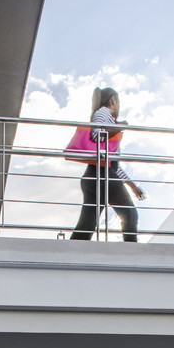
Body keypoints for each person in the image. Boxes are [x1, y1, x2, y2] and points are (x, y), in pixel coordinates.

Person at [70, 87, 145, 242]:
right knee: (130, 214)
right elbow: (97, 135)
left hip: (95, 176)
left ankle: (70, 252)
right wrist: (121, 125)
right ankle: (131, 254)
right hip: (102, 175)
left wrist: (132, 186)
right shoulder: (104, 112)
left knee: (88, 223)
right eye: (118, 102)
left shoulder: (109, 120)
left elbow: (115, 166)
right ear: (113, 100)